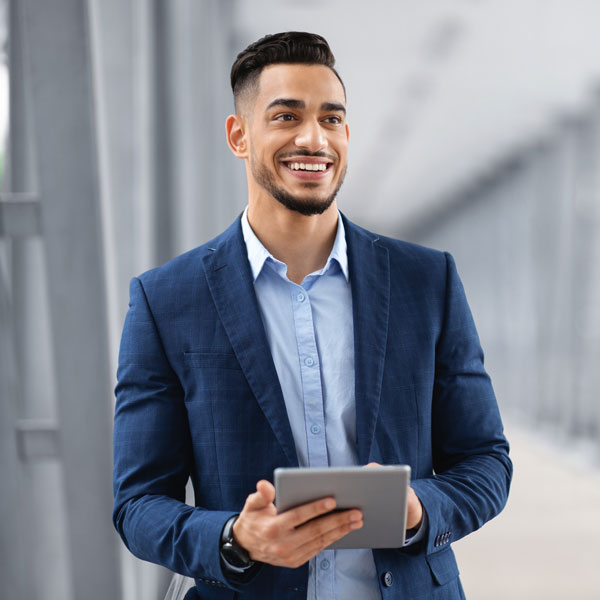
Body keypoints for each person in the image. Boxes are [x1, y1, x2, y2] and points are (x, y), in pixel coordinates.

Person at [113, 31, 512, 600]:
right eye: (285, 116)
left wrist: (420, 509)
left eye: (331, 119)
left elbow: (486, 459)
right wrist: (234, 539)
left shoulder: (429, 282)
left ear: (346, 134)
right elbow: (137, 503)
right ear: (239, 136)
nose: (312, 138)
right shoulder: (166, 300)